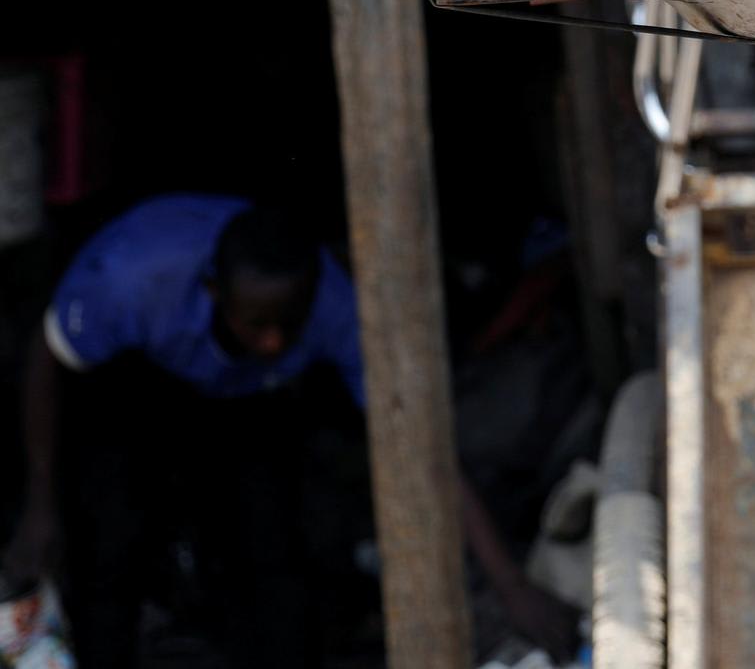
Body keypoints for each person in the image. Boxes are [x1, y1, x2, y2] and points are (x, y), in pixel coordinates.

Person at [2, 194, 576, 666]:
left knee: (269, 548)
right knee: (112, 542)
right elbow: (50, 357)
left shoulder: (333, 311)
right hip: (138, 378)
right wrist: (39, 502)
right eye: (257, 323)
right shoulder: (134, 279)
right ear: (213, 294)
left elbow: (419, 446)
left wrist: (510, 584)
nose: (275, 339)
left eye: (288, 324)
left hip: (252, 397)